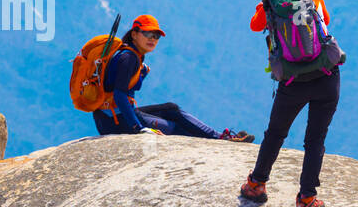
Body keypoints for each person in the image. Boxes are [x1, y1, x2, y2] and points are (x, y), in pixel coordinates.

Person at [239, 0, 340, 207]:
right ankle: (307, 200)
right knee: (315, 139)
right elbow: (325, 20)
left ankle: (256, 184)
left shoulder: (268, 6)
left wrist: (267, 5)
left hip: (292, 81)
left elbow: (254, 27)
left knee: (275, 134)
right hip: (326, 75)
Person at [93, 14, 252, 140]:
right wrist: (138, 128)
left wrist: (141, 74)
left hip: (109, 119)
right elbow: (119, 94)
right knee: (175, 127)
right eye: (147, 33)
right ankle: (221, 140)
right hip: (117, 122)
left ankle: (219, 137)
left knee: (171, 109)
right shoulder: (129, 58)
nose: (152, 39)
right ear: (134, 34)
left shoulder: (130, 54)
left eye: (156, 36)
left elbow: (127, 87)